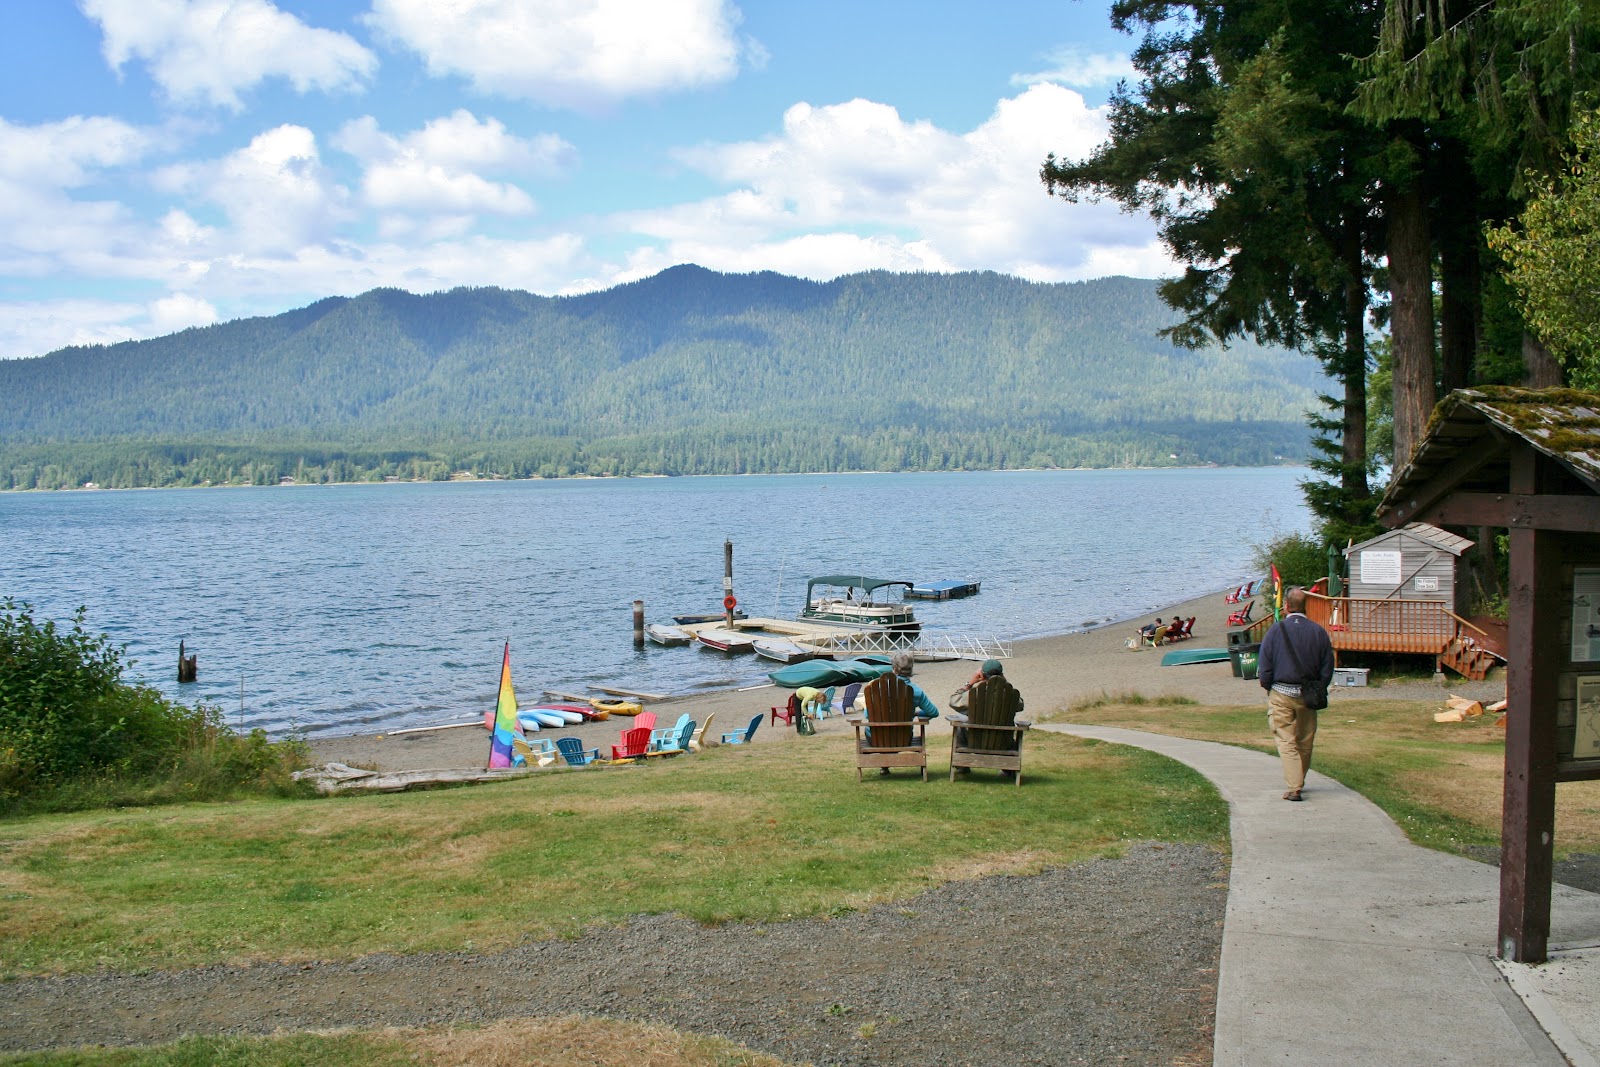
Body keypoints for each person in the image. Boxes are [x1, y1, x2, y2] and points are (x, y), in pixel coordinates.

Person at [1256, 586, 1335, 801]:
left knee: (1285, 738)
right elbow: (1327, 665)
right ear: (1305, 606)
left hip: (1281, 691)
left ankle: (1294, 786)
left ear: (1287, 606)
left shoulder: (1276, 630)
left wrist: (1267, 685)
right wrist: (1320, 686)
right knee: (1305, 739)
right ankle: (1298, 780)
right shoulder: (1318, 632)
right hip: (1308, 693)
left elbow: (1265, 663)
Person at [948, 659, 1029, 774]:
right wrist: (1003, 682)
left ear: (982, 675)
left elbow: (953, 701)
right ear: (1002, 674)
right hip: (1003, 742)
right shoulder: (1011, 695)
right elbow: (1020, 705)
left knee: (961, 723)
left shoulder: (974, 694)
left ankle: (962, 766)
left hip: (975, 740)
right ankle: (1009, 769)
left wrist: (969, 683)